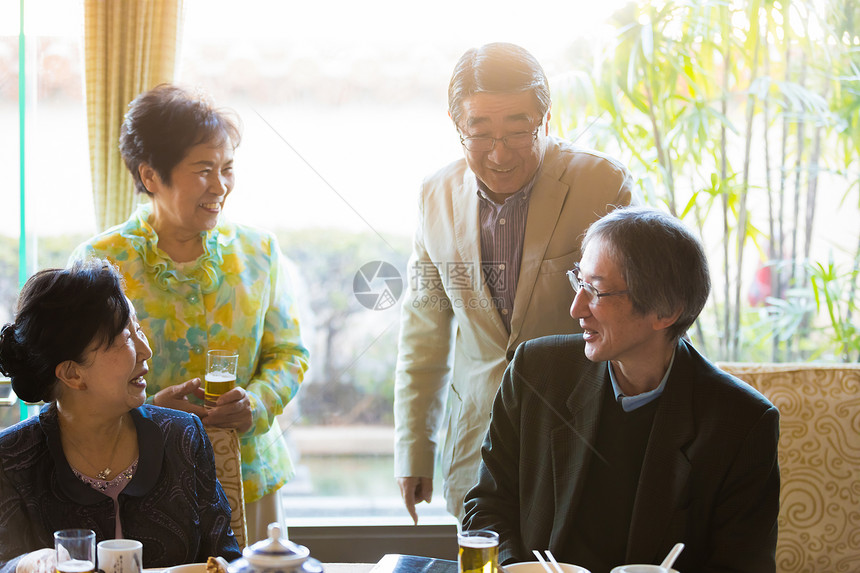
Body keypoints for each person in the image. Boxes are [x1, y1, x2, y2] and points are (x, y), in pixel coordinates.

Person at [462, 206, 780, 572]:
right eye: (578, 282)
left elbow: (744, 564)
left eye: (595, 291)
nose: (576, 308)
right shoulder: (537, 371)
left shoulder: (740, 422)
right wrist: (516, 568)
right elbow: (487, 507)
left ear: (666, 311)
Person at [394, 42, 635, 523]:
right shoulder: (434, 194)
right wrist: (414, 449)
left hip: (582, 433)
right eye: (479, 132)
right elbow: (424, 330)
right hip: (478, 440)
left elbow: (632, 315)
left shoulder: (602, 184)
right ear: (456, 125)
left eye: (518, 130)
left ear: (545, 120)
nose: (499, 153)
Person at [70, 84, 309, 542]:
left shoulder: (259, 252)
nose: (220, 186)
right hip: (139, 477)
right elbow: (76, 379)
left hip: (250, 473)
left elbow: (290, 353)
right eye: (203, 170)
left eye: (227, 169)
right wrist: (152, 408)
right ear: (152, 176)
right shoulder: (100, 263)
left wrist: (255, 404)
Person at [0, 260, 242, 573]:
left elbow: (229, 557)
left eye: (138, 330)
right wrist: (28, 565)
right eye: (125, 338)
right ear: (73, 374)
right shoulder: (11, 459)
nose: (145, 351)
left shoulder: (182, 435)